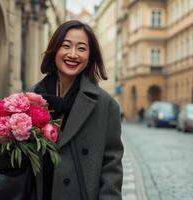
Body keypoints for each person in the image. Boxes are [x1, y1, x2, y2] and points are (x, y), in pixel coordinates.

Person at [32, 20, 124, 200]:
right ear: (55, 50)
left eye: (81, 48)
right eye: (66, 46)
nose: (73, 54)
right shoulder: (31, 98)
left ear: (90, 56)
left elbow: (112, 166)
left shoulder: (106, 105)